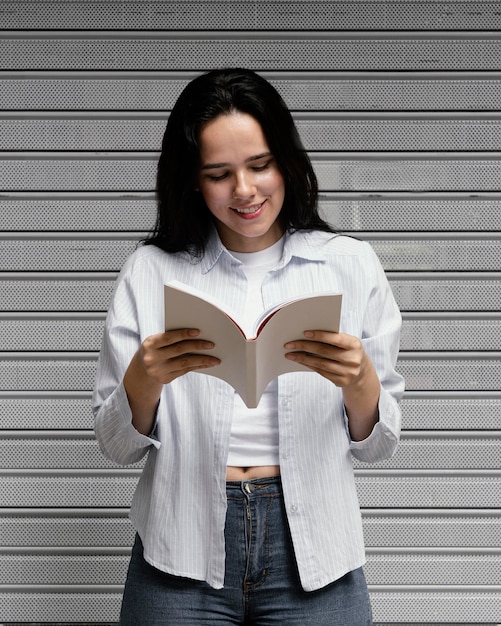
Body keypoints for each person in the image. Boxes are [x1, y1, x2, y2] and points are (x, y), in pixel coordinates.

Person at [93, 68, 404, 625]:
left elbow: (377, 447)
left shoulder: (350, 266)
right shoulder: (150, 272)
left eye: (260, 165)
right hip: (180, 547)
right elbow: (117, 448)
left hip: (313, 549)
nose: (244, 190)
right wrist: (144, 378)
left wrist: (361, 383)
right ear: (191, 179)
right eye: (219, 173)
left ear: (287, 160)